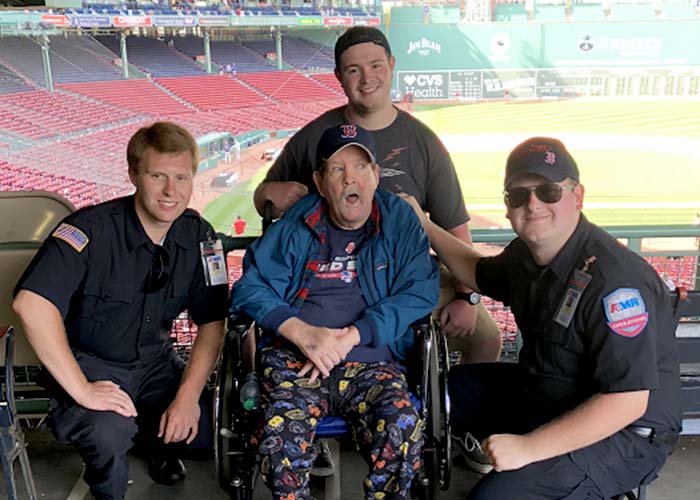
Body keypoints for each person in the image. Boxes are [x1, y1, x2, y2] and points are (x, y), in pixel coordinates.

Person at [402, 137, 681, 499]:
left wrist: (529, 448)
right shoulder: (526, 256)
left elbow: (626, 401)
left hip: (625, 434)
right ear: (508, 207)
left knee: (493, 498)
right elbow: (475, 270)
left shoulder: (616, 282)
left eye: (548, 191)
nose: (533, 204)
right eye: (519, 195)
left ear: (577, 197)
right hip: (552, 394)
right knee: (442, 390)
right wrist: (423, 224)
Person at [253, 26, 501, 366]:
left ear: (392, 65)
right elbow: (263, 199)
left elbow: (455, 227)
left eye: (375, 65)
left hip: (401, 274)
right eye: (353, 70)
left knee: (486, 338)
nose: (366, 78)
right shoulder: (313, 137)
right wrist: (268, 191)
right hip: (327, 275)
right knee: (255, 333)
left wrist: (467, 297)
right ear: (339, 76)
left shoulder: (423, 141)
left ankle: (454, 414)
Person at [12, 122, 229, 500]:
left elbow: (213, 321)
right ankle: (107, 487)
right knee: (107, 434)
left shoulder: (200, 235)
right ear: (133, 174)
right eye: (157, 175)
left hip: (156, 363)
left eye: (181, 177)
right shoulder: (89, 230)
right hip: (93, 363)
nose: (170, 191)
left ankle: (160, 447)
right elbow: (29, 303)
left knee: (205, 432)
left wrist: (187, 398)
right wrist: (81, 389)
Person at [231, 124, 439, 500]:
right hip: (297, 362)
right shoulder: (296, 224)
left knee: (403, 424)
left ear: (375, 175)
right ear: (320, 181)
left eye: (360, 167)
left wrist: (353, 335)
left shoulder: (398, 221)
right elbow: (249, 287)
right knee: (279, 440)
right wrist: (301, 332)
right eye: (337, 170)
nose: (350, 180)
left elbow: (421, 291)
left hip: (374, 363)